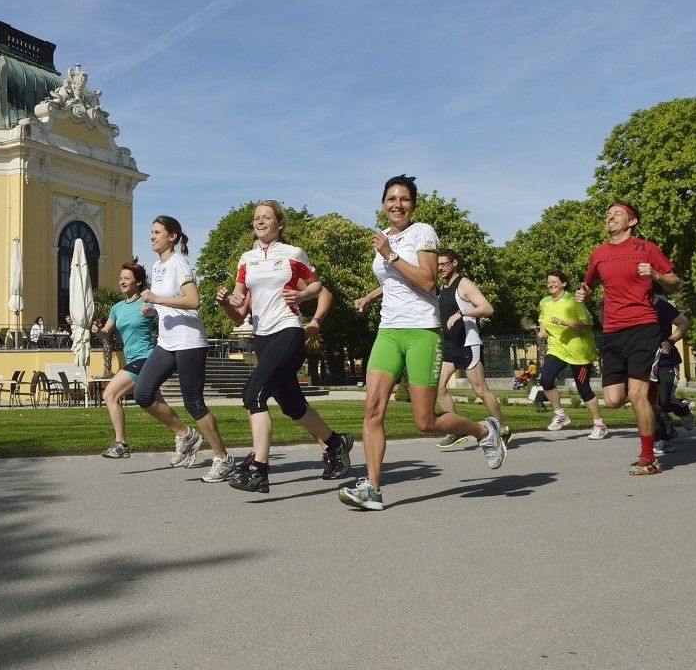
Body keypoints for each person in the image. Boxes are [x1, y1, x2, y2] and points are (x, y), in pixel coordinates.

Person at [339, 175, 506, 511]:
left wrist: (391, 255)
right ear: (383, 203)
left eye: (404, 199)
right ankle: (373, 488)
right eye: (390, 199)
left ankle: (484, 431)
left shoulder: (423, 232)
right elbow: (394, 282)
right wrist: (371, 295)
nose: (396, 204)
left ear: (413, 204)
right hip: (389, 330)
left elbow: (428, 281)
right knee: (372, 409)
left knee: (425, 422)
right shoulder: (384, 236)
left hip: (422, 332)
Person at [215, 201, 354, 494]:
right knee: (291, 404)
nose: (260, 221)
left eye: (266, 217)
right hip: (261, 336)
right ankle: (335, 442)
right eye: (256, 218)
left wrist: (302, 296)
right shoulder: (246, 260)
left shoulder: (293, 254)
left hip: (289, 332)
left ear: (279, 224)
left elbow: (317, 286)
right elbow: (240, 310)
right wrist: (228, 300)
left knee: (253, 394)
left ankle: (259, 470)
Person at [576, 201, 682, 475]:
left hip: (643, 328)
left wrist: (656, 274)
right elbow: (589, 284)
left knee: (636, 395)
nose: (610, 217)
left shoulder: (646, 248)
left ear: (632, 221)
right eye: (608, 214)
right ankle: (653, 401)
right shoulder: (598, 254)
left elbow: (676, 283)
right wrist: (584, 295)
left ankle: (649, 458)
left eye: (617, 214)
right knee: (613, 400)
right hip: (612, 331)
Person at [134, 215, 237, 482]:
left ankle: (223, 459)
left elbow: (193, 301)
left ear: (173, 236)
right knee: (143, 393)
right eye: (151, 232)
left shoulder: (179, 263)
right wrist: (153, 310)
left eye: (157, 232)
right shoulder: (158, 267)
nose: (152, 236)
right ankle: (186, 435)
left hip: (189, 342)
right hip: (167, 342)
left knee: (194, 402)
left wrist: (156, 299)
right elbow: (169, 303)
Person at [433, 248, 511, 449]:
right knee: (439, 389)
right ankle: (456, 430)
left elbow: (488, 308)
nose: (440, 267)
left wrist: (461, 314)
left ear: (455, 263)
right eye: (438, 264)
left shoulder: (464, 284)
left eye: (444, 263)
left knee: (480, 390)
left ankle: (503, 429)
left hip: (468, 343)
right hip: (450, 345)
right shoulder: (443, 288)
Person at [91, 262, 167, 459]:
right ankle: (186, 435)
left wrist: (153, 312)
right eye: (121, 278)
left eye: (127, 278)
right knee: (158, 406)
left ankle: (121, 444)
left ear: (138, 281)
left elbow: (161, 314)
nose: (122, 281)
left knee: (110, 395)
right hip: (132, 359)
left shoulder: (147, 302)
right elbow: (106, 333)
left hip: (147, 358)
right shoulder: (116, 308)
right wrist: (98, 331)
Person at [536, 270, 608, 439]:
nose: (551, 284)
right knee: (545, 379)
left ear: (563, 283)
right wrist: (542, 330)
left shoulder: (574, 301)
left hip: (579, 352)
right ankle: (561, 415)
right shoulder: (544, 302)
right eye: (549, 282)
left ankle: (599, 424)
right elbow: (542, 318)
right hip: (557, 349)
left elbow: (588, 324)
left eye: (554, 281)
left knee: (583, 388)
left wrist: (565, 322)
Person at [649, 293, 694, 454]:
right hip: (643, 363)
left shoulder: (660, 304)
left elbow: (684, 323)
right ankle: (661, 438)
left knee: (664, 400)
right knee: (649, 402)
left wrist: (670, 341)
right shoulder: (629, 306)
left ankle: (683, 408)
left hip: (665, 361)